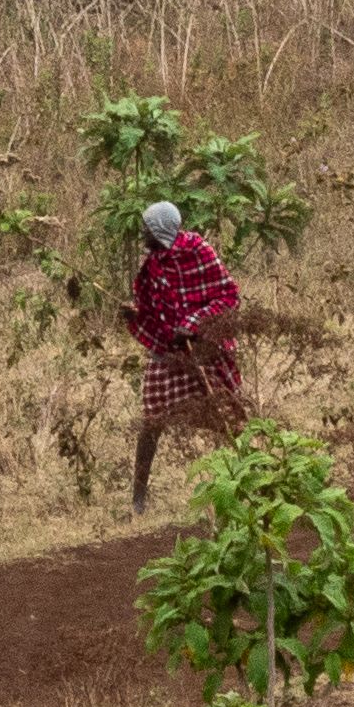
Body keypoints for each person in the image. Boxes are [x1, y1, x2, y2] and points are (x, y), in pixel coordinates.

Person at [125, 200, 246, 514]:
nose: (142, 233)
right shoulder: (152, 264)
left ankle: (249, 477)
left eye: (146, 228)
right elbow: (152, 313)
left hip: (203, 350)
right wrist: (134, 315)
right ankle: (138, 499)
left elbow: (228, 295)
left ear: (160, 229)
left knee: (228, 419)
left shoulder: (199, 252)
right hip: (168, 353)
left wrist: (191, 326)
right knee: (152, 422)